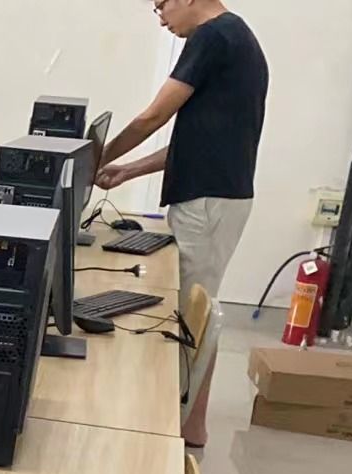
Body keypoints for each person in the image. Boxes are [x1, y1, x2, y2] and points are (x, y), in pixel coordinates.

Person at [96, 0, 268, 448]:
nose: (160, 17)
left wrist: (95, 159)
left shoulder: (212, 36)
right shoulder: (235, 36)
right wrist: (128, 170)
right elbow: (200, 140)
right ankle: (192, 423)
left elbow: (153, 117)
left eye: (161, 4)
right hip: (215, 199)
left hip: (208, 203)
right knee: (199, 311)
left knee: (191, 317)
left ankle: (177, 431)